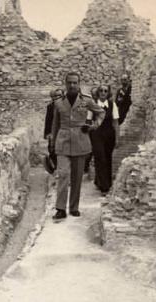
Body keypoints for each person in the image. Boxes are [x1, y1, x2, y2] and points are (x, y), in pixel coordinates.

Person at [50, 71, 105, 221]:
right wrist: (52, 144)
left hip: (81, 141)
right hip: (63, 142)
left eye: (75, 82)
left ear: (79, 84)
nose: (72, 85)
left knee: (77, 177)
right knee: (63, 175)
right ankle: (60, 208)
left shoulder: (86, 100)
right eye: (70, 83)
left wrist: (93, 126)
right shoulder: (59, 102)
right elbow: (55, 124)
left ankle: (74, 207)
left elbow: (101, 113)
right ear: (65, 84)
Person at [90, 85, 120, 195]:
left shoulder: (112, 105)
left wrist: (117, 138)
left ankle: (100, 181)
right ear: (98, 92)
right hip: (96, 134)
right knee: (100, 157)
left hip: (109, 135)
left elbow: (115, 123)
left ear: (108, 93)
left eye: (105, 91)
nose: (103, 93)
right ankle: (105, 187)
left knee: (107, 158)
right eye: (101, 91)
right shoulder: (92, 104)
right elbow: (88, 120)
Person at [43, 88, 64, 174]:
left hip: (62, 131)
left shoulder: (66, 106)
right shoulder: (50, 106)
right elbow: (48, 120)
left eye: (60, 95)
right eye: (56, 95)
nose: (58, 97)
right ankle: (55, 168)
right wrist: (47, 133)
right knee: (52, 150)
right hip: (52, 132)